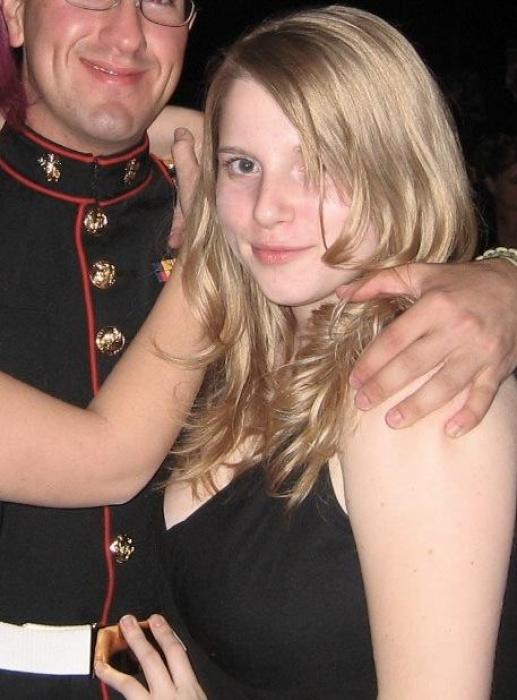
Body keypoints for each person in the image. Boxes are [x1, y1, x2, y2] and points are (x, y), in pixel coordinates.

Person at [83, 5, 515, 698]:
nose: (267, 207)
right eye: (243, 165)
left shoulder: (415, 386)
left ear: (397, 170)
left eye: (318, 166)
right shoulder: (240, 353)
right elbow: (104, 119)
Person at [0, 1, 203, 698]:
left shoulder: (258, 215)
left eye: (160, 1)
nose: (127, 34)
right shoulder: (224, 234)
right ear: (14, 15)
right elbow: (111, 459)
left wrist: (496, 277)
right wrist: (216, 260)